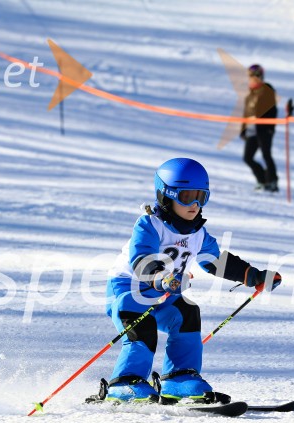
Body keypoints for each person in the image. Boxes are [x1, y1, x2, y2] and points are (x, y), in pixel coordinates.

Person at [103, 158, 282, 403]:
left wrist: (254, 277)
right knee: (142, 330)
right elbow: (142, 258)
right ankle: (126, 383)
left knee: (187, 313)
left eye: (201, 197)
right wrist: (161, 277)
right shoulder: (150, 225)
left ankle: (179, 377)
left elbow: (217, 262)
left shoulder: (197, 233)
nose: (195, 205)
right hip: (129, 290)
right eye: (187, 197)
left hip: (165, 292)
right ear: (166, 196)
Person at [240, 64, 279, 192]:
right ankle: (262, 180)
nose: (250, 79)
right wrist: (243, 130)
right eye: (249, 77)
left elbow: (272, 110)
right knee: (247, 157)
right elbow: (246, 115)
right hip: (252, 131)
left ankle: (272, 181)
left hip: (264, 130)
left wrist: (270, 127)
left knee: (266, 155)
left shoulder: (267, 90)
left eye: (253, 76)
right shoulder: (249, 96)